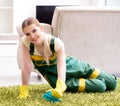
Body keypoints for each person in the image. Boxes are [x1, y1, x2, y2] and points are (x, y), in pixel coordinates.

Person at [17, 17, 117, 100]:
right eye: (28, 34)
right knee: (101, 86)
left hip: (74, 66)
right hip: (57, 78)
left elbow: (61, 66)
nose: (32, 36)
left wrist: (60, 86)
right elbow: (26, 67)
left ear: (41, 28)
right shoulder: (26, 43)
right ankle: (94, 82)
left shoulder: (56, 42)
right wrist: (24, 89)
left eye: (34, 31)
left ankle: (96, 79)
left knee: (112, 83)